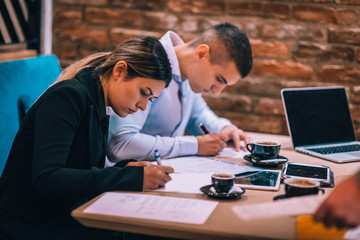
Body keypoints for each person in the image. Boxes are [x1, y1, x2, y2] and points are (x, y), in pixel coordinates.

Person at [0, 36, 175, 239]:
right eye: (143, 93)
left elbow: (78, 169)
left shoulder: (99, 102)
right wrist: (131, 179)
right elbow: (48, 179)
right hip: (29, 224)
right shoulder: (68, 97)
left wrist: (124, 169)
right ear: (120, 70)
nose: (143, 105)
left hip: (60, 214)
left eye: (150, 99)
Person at [107, 22, 253, 164]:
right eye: (219, 79)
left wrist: (223, 129)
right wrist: (193, 145)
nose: (218, 91)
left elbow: (197, 116)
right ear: (201, 54)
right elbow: (120, 143)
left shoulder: (189, 76)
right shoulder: (151, 63)